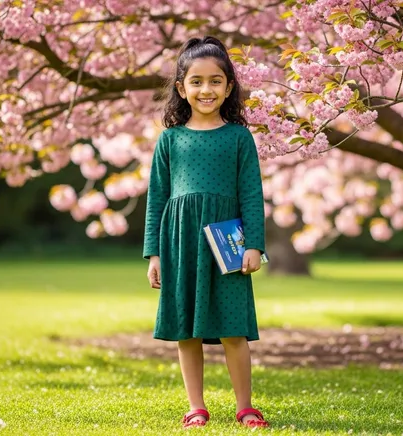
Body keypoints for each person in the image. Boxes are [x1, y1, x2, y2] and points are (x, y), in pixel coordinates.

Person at [142, 35, 269, 429]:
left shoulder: (238, 137)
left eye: (216, 81)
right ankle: (196, 406)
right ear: (181, 88)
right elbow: (157, 198)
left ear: (229, 86)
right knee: (187, 330)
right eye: (196, 81)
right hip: (180, 242)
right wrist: (154, 254)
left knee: (233, 329)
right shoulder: (170, 139)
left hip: (227, 245)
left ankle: (245, 406)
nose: (206, 89)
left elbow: (251, 194)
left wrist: (254, 245)